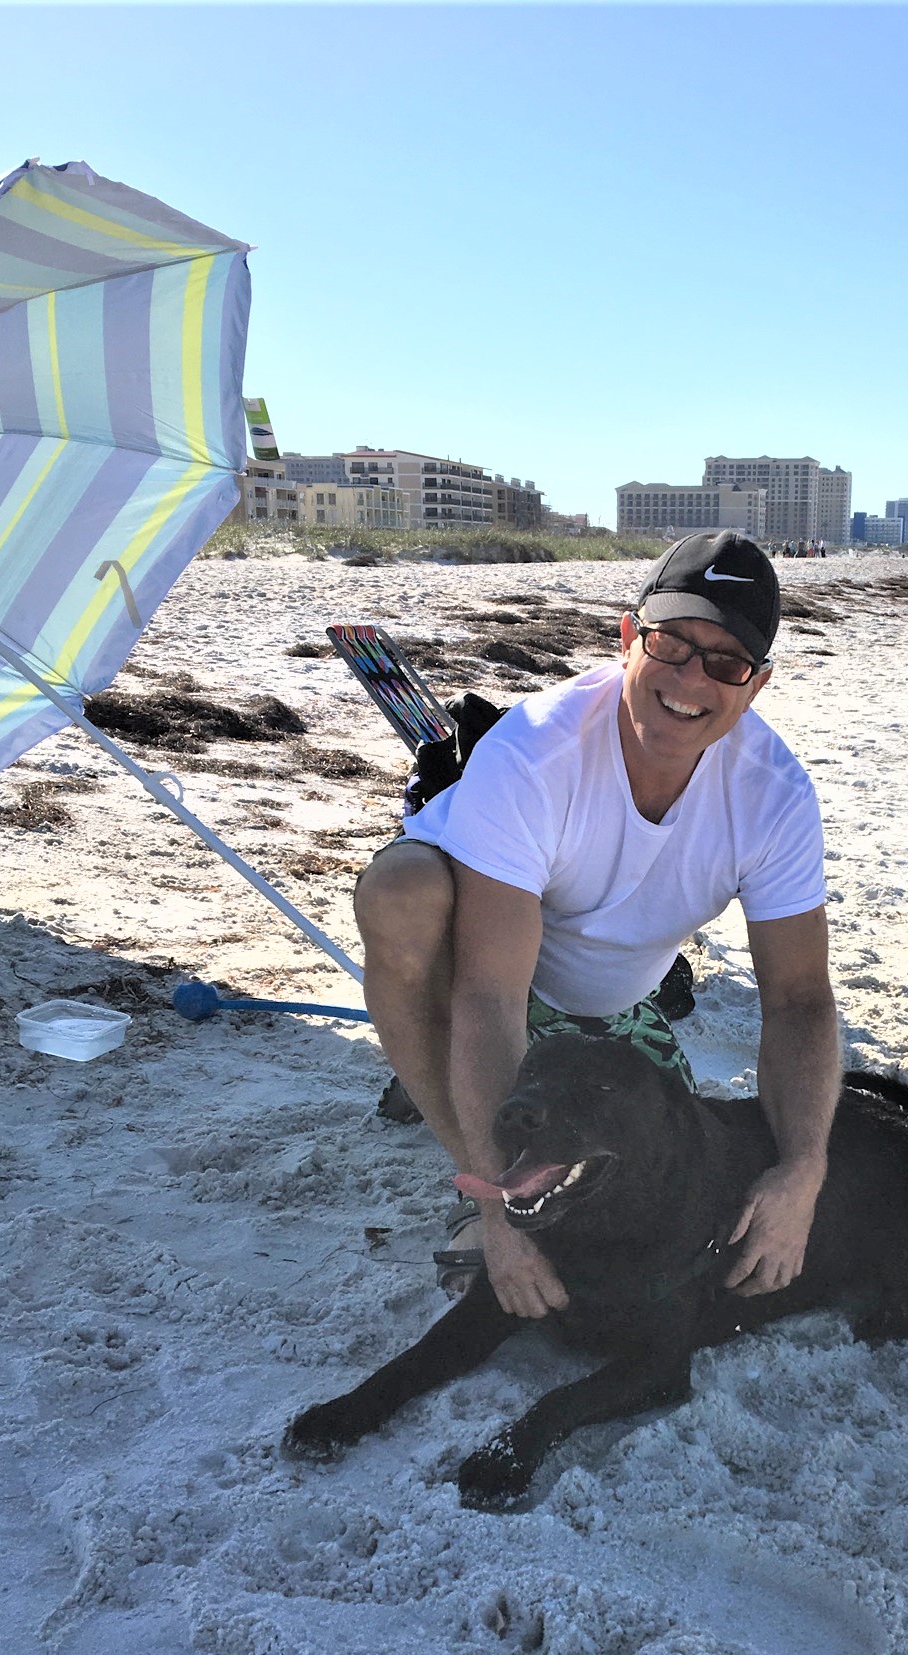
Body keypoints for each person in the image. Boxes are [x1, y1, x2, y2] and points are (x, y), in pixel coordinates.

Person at [353, 530, 839, 1322]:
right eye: (672, 644)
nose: (690, 679)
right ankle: (454, 1130)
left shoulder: (773, 795)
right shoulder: (538, 750)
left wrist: (803, 1171)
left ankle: (449, 1083)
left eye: (725, 663)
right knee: (399, 889)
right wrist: (501, 1210)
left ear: (756, 686)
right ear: (627, 637)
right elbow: (488, 996)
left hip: (617, 998)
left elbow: (799, 1001)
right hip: (493, 961)